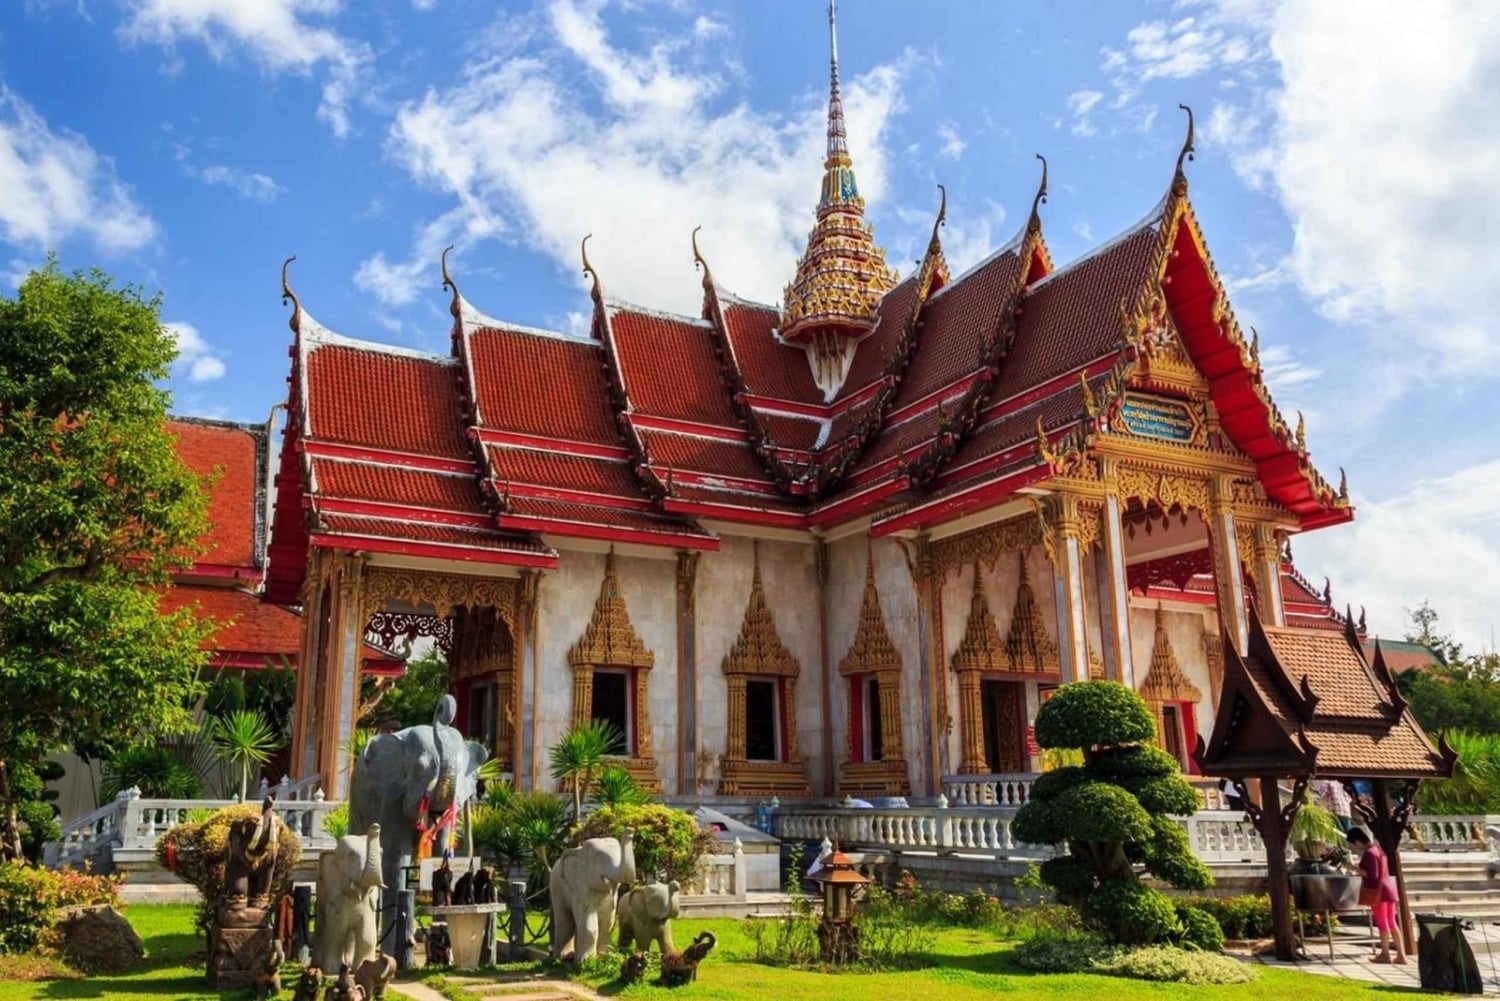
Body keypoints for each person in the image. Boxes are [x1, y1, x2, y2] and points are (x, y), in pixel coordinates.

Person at [1348, 827, 1405, 965]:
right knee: (1392, 922)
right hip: (1388, 890)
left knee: (1382, 922)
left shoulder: (1369, 853)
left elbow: (1373, 875)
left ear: (1357, 842)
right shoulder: (1378, 850)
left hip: (1378, 892)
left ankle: (1385, 953)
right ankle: (1400, 954)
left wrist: (1353, 868)